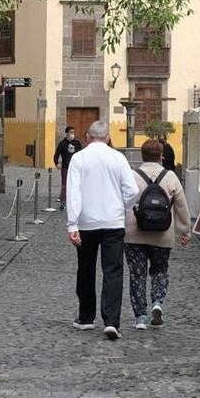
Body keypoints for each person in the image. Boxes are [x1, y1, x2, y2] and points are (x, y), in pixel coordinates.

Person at [65, 119, 137, 340]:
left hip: (86, 222)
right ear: (108, 137)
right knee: (113, 271)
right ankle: (111, 320)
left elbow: (73, 192)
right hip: (113, 222)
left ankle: (86, 317)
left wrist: (72, 223)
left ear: (87, 137)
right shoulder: (118, 158)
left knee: (86, 268)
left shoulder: (79, 158)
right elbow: (132, 190)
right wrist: (122, 206)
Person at [124, 139, 193, 330]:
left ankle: (140, 317)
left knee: (137, 275)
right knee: (160, 270)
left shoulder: (132, 176)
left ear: (142, 155)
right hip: (163, 235)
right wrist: (185, 230)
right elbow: (181, 206)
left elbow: (123, 202)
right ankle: (157, 302)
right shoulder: (170, 177)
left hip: (134, 233)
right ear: (161, 156)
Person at [53, 125, 82, 204]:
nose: (73, 134)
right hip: (65, 167)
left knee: (75, 184)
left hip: (75, 168)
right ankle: (63, 200)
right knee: (64, 185)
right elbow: (56, 155)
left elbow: (81, 154)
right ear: (66, 134)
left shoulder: (77, 143)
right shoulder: (62, 144)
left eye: (73, 132)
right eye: (71, 132)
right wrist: (57, 163)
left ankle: (74, 199)